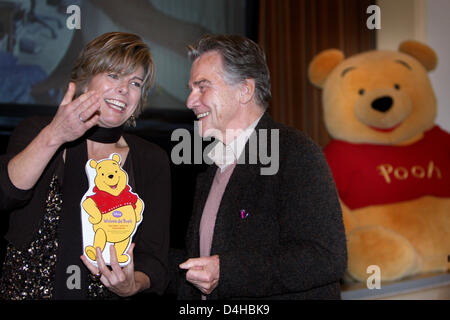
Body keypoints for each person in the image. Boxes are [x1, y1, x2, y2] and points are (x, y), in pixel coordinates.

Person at [173, 34, 347, 299]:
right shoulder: (212, 166)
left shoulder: (294, 151)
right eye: (191, 88)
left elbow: (326, 257)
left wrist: (226, 270)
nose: (190, 101)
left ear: (245, 90)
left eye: (202, 86)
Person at [0, 32, 171, 299]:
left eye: (135, 83)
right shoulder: (37, 132)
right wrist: (55, 135)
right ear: (85, 80)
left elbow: (155, 258)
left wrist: (132, 284)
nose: (124, 89)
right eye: (113, 75)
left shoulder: (152, 159)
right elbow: (6, 193)